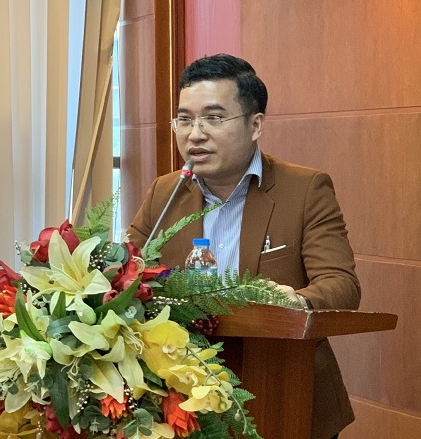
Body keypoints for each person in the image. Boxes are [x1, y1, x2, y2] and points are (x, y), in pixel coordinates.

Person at [127, 53, 361, 439]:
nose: (195, 134)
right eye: (184, 119)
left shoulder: (305, 190)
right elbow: (126, 275)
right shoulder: (165, 193)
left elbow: (342, 284)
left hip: (287, 393)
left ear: (255, 125)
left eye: (213, 118)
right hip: (185, 402)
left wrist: (297, 301)